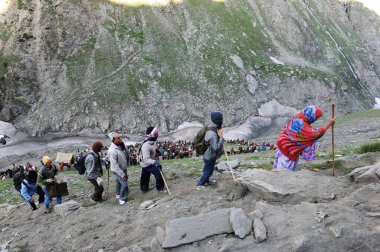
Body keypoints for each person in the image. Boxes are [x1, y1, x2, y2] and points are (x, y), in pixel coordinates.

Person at [274, 105, 335, 171]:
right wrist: (329, 124)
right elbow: (314, 134)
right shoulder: (302, 124)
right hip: (288, 150)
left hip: (283, 145)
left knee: (279, 168)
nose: (315, 120)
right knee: (283, 171)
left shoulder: (298, 117)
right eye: (316, 117)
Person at [197, 111, 224, 190]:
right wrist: (221, 138)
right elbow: (216, 148)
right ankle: (200, 185)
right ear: (218, 120)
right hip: (210, 156)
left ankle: (206, 181)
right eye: (222, 118)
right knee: (208, 171)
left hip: (208, 155)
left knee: (208, 170)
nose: (223, 120)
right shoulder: (213, 133)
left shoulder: (212, 129)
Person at [139, 127, 164, 193]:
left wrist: (157, 151)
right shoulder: (146, 145)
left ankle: (144, 189)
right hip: (147, 163)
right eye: (156, 134)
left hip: (148, 162)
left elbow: (152, 149)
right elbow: (146, 159)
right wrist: (155, 162)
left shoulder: (152, 142)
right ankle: (160, 188)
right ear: (152, 135)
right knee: (158, 173)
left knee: (145, 176)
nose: (157, 135)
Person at [107, 132, 130, 205]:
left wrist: (124, 147)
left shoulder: (120, 145)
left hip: (123, 167)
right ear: (113, 140)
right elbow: (115, 166)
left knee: (119, 181)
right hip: (117, 170)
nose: (120, 139)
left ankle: (118, 194)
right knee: (124, 184)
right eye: (118, 138)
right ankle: (122, 198)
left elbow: (128, 154)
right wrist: (123, 175)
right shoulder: (112, 150)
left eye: (120, 137)